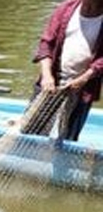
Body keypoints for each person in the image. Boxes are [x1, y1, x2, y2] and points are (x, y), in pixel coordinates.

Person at [32, 0, 103, 141]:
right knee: (32, 131)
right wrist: (47, 76)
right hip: (51, 83)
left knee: (67, 138)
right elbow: (46, 43)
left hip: (83, 89)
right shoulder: (66, 8)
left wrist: (84, 78)